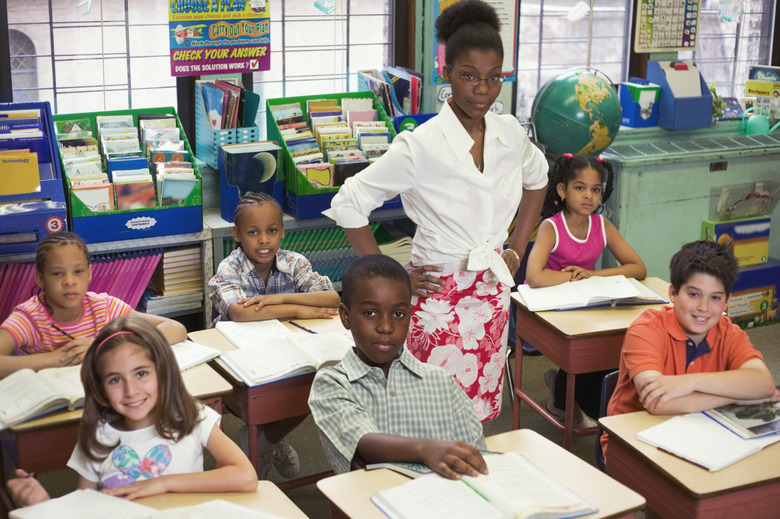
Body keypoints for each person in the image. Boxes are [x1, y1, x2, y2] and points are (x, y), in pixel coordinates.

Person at [323, 0, 548, 421]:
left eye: (493, 78)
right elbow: (349, 203)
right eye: (468, 77)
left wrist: (517, 247)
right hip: (435, 299)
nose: (482, 90)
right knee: (426, 419)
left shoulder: (510, 133)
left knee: (475, 416)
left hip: (493, 293)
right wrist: (388, 272)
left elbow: (539, 178)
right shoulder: (420, 145)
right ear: (447, 74)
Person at [6, 316, 257, 506]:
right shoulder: (97, 435)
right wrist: (41, 505)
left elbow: (245, 476)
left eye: (141, 373)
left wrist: (162, 484)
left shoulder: (191, 416)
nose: (131, 391)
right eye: (115, 380)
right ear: (101, 387)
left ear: (162, 371)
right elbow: (85, 509)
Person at [308, 254, 488, 478]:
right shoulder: (332, 383)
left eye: (398, 314)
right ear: (345, 317)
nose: (386, 327)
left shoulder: (441, 381)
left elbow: (476, 456)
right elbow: (364, 444)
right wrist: (426, 450)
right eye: (370, 313)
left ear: (410, 317)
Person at [601, 240, 779, 460]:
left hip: (703, 435)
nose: (704, 308)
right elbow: (658, 403)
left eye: (715, 298)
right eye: (694, 294)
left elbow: (763, 384)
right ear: (673, 293)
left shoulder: (729, 333)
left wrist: (689, 382)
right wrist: (736, 398)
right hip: (632, 445)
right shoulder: (646, 329)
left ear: (727, 302)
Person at [208, 192, 340, 479]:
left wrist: (277, 302)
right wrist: (298, 309)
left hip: (289, 347)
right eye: (253, 232)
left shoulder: (294, 262)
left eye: (271, 231)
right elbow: (240, 313)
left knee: (316, 384)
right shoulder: (230, 267)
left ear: (282, 231)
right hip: (240, 355)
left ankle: (268, 441)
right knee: (273, 395)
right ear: (237, 234)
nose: (264, 240)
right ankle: (270, 438)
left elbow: (330, 298)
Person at [524, 154, 646, 428]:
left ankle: (569, 392)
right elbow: (534, 276)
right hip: (550, 309)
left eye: (595, 190)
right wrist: (574, 280)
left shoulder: (602, 226)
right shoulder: (551, 227)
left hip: (584, 302)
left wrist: (593, 274)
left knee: (609, 339)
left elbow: (638, 267)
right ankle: (562, 395)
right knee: (582, 346)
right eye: (580, 188)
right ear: (562, 190)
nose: (588, 196)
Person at [0, 231, 187, 379]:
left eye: (78, 271)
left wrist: (107, 346)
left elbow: (176, 329)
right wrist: (54, 359)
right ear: (40, 278)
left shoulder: (103, 307)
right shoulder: (30, 318)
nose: (69, 281)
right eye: (57, 273)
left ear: (89, 273)